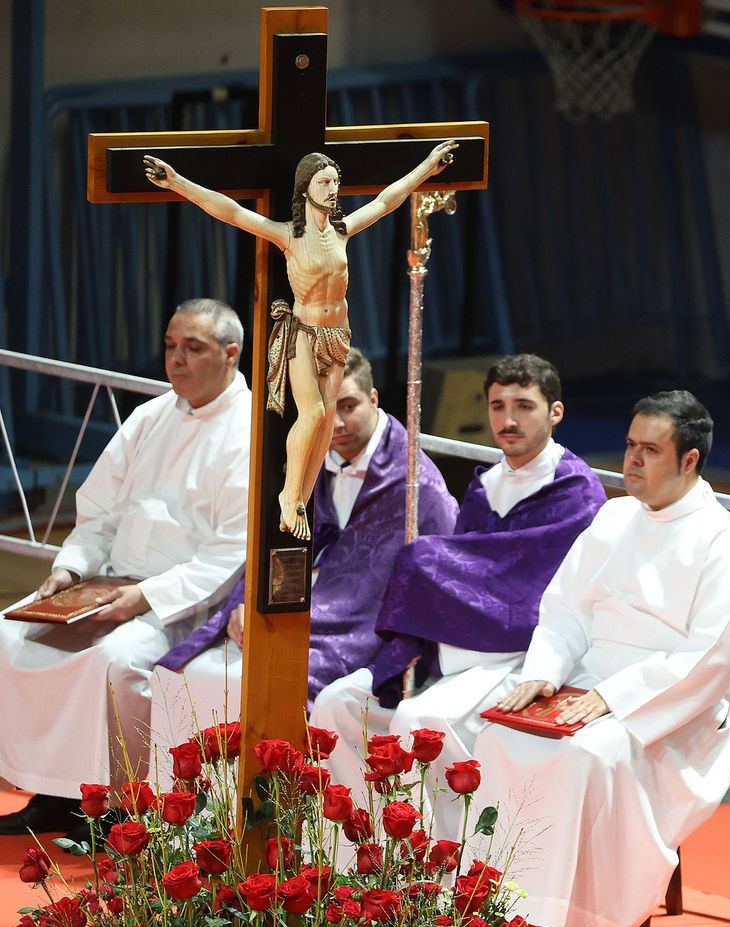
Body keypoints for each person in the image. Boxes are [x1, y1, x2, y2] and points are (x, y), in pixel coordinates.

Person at [399, 391, 730, 927]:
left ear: (690, 460)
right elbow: (567, 608)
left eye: (650, 449)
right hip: (586, 681)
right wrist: (545, 673)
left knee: (583, 754)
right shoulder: (614, 515)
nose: (632, 460)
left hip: (675, 704)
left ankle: (567, 922)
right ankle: (494, 905)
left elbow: (712, 659)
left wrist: (613, 698)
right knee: (501, 734)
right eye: (630, 445)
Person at [0, 299, 251, 839]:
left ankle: (121, 806)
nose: (176, 360)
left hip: (186, 602)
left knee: (117, 661)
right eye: (170, 345)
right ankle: (52, 791)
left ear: (232, 354)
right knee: (10, 636)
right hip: (108, 582)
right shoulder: (149, 416)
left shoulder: (250, 433)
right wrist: (70, 570)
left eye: (193, 348)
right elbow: (99, 513)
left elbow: (230, 552)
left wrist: (146, 598)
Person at [148, 350, 457, 784]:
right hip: (298, 609)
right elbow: (270, 544)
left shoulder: (417, 484)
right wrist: (246, 601)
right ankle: (192, 821)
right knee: (189, 674)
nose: (337, 424)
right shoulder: (306, 457)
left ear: (374, 398)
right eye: (324, 411)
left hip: (371, 630)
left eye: (348, 406)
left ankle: (280, 819)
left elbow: (439, 580)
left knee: (275, 682)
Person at [309, 354, 605, 796]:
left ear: (555, 412)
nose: (508, 420)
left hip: (524, 653)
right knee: (337, 702)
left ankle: (436, 852)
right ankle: (360, 844)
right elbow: (460, 580)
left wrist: (429, 564)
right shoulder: (484, 488)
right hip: (451, 643)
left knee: (417, 720)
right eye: (498, 406)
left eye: (524, 406)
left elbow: (541, 593)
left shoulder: (577, 493)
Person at [143, 141, 456, 539]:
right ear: (305, 187)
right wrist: (177, 183)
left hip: (337, 333)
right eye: (324, 181)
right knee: (311, 414)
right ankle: (288, 497)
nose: (332, 189)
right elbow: (230, 210)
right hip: (304, 333)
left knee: (325, 426)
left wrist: (428, 168)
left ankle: (303, 499)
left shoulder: (343, 231)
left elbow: (386, 201)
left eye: (335, 182)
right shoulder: (289, 235)